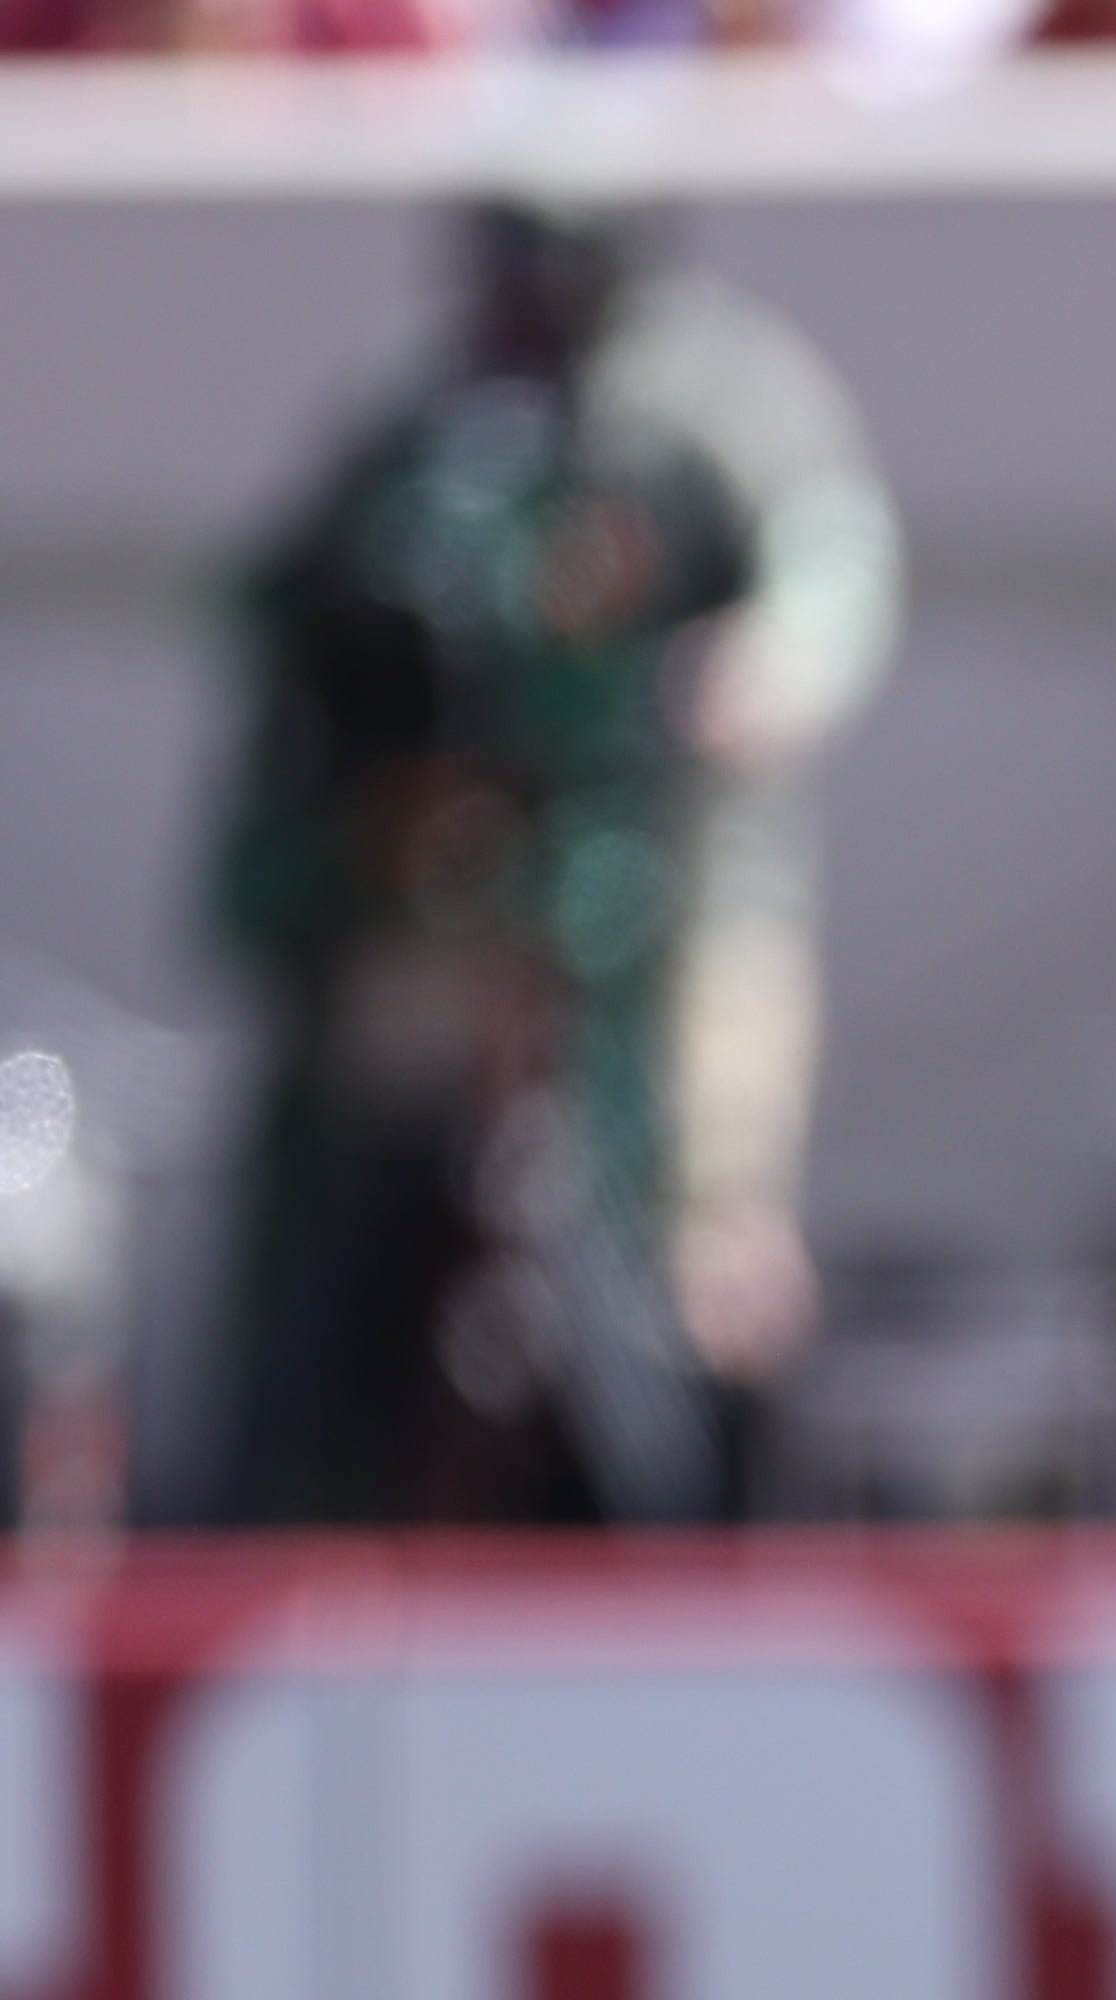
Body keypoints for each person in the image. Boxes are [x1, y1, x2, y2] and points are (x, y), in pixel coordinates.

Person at [195, 202, 767, 1527]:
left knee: (620, 1362)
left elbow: (646, 777)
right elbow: (272, 796)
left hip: (558, 1022)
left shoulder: (652, 461)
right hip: (386, 1028)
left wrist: (532, 833)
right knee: (319, 1358)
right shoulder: (389, 456)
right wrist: (387, 828)